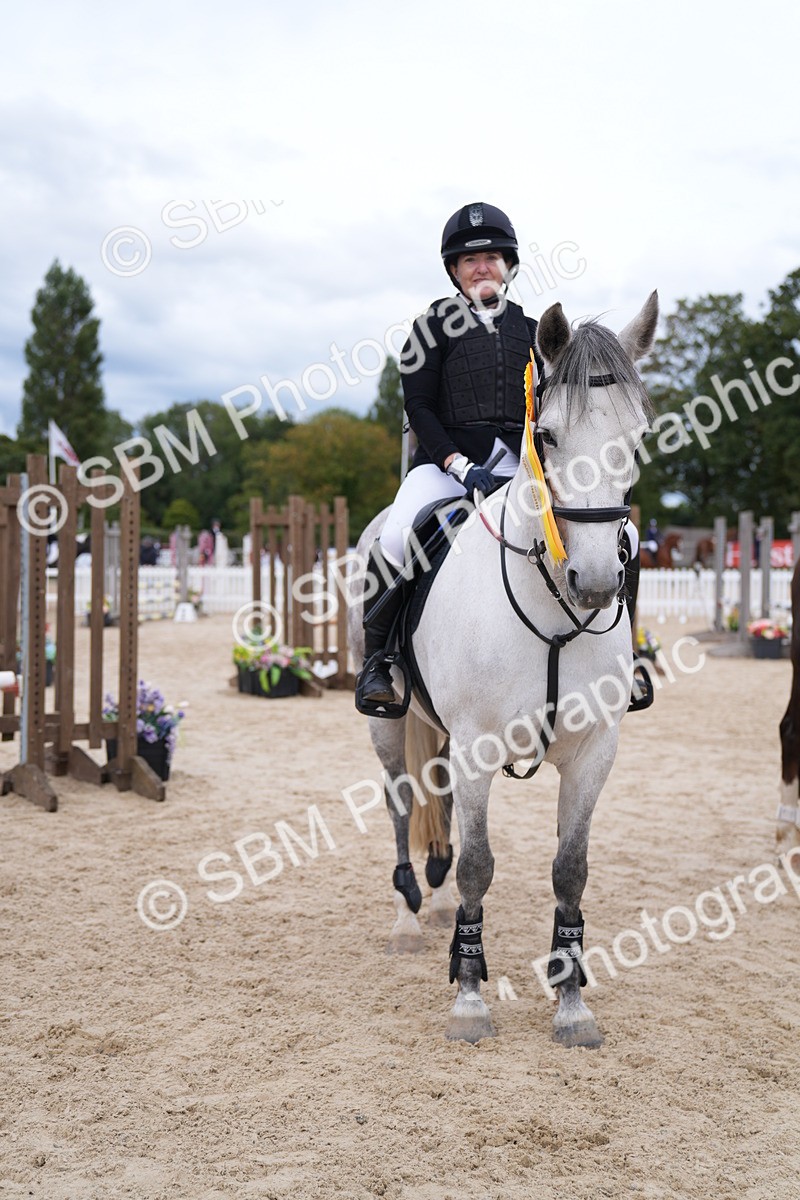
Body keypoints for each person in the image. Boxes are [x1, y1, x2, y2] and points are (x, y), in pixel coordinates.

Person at [357, 202, 543, 708]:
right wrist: (458, 464)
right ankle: (379, 662)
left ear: (507, 264)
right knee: (396, 538)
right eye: (469, 260)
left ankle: (624, 658)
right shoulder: (430, 326)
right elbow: (418, 407)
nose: (481, 267)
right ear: (455, 271)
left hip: (519, 468)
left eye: (490, 257)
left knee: (616, 534)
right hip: (446, 465)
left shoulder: (532, 332)